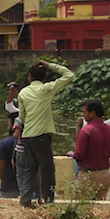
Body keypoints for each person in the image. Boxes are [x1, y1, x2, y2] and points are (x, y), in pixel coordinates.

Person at [17, 60, 75, 207]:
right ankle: (48, 202)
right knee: (47, 169)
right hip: (41, 135)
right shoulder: (46, 89)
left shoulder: (23, 92)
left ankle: (25, 200)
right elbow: (69, 75)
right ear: (44, 77)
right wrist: (50, 65)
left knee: (31, 168)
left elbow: (22, 116)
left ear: (30, 77)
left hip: (27, 136)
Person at [69, 99, 110, 200]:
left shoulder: (86, 130)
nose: (83, 115)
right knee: (98, 208)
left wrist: (72, 154)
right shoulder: (109, 129)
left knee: (78, 207)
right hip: (105, 174)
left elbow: (79, 154)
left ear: (93, 113)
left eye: (84, 112)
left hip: (88, 175)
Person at [0, 113, 20, 199]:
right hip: (29, 189)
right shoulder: (29, 142)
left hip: (8, 189)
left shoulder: (5, 143)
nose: (8, 127)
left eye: (9, 124)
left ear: (14, 126)